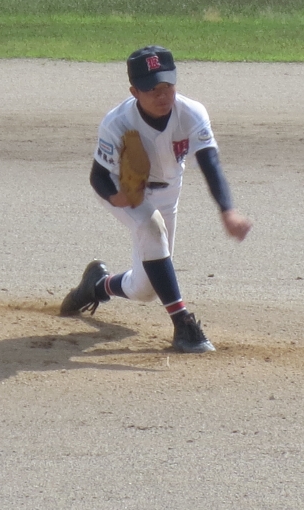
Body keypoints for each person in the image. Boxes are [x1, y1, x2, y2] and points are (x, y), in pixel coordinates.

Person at [60, 45, 252, 353]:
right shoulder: (116, 122)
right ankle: (183, 325)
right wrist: (115, 197)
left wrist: (227, 210)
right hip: (124, 192)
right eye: (152, 90)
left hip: (169, 192)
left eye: (167, 87)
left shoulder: (191, 113)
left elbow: (210, 161)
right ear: (134, 91)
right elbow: (97, 176)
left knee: (145, 288)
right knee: (151, 229)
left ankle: (96, 286)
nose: (162, 96)